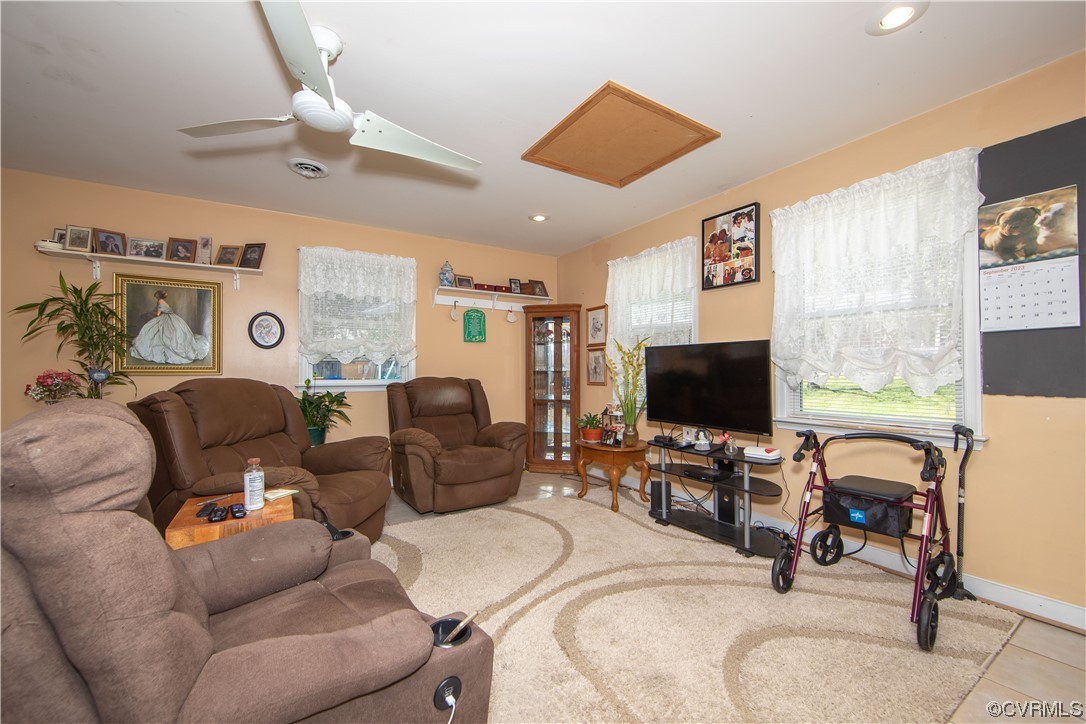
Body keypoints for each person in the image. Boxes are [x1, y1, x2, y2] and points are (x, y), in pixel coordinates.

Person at [129, 290, 210, 365]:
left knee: (159, 333)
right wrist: (151, 312)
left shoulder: (160, 301)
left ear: (158, 296)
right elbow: (161, 311)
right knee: (161, 333)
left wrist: (149, 313)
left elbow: (158, 314)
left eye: (156, 295)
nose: (155, 296)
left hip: (166, 318)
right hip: (171, 317)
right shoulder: (163, 301)